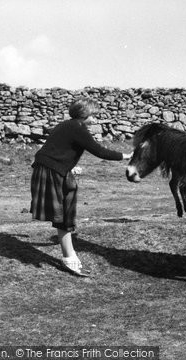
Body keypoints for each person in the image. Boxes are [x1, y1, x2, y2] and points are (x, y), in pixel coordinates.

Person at [30, 98, 132, 276]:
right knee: (62, 215)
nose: (96, 120)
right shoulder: (77, 128)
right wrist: (125, 155)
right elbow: (100, 151)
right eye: (94, 116)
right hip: (51, 171)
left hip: (51, 168)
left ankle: (69, 255)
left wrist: (68, 166)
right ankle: (69, 258)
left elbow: (57, 148)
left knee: (66, 209)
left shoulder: (67, 125)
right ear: (85, 114)